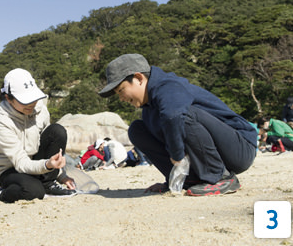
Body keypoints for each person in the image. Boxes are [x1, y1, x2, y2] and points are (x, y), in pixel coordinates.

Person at [98, 54, 258, 196]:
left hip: (239, 149)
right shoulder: (148, 108)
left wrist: (177, 155)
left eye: (121, 90)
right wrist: (174, 176)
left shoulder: (168, 86)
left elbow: (173, 116)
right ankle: (187, 180)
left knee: (181, 114)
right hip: (212, 154)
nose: (121, 98)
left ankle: (219, 177)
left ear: (139, 78)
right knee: (137, 130)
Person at [0, 68, 76, 203]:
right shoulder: (2, 122)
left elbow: (51, 147)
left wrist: (62, 176)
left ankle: (48, 184)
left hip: (34, 161)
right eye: (25, 101)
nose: (31, 104)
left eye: (33, 98)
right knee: (34, 191)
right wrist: (48, 164)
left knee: (57, 131)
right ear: (8, 98)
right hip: (9, 169)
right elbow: (21, 163)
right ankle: (0, 194)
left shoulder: (40, 109)